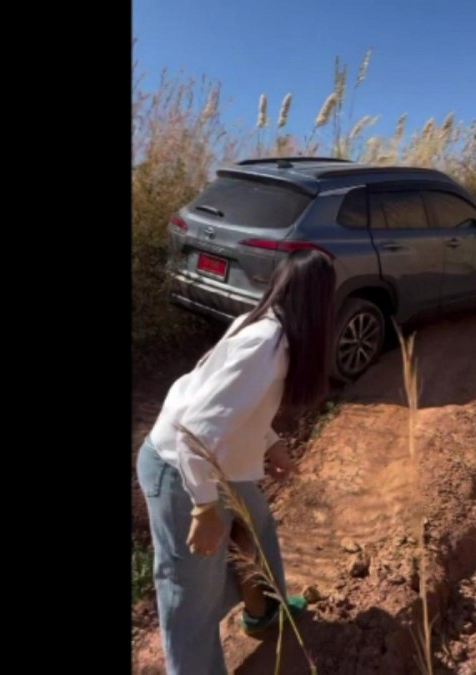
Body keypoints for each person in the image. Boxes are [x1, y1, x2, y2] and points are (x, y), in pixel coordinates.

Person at [136, 249, 336, 674]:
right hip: (180, 468)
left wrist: (270, 444)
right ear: (320, 302)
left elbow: (232, 406)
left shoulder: (267, 330)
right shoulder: (264, 344)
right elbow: (194, 429)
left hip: (216, 461)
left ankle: (262, 611)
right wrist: (205, 506)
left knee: (256, 527)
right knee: (189, 593)